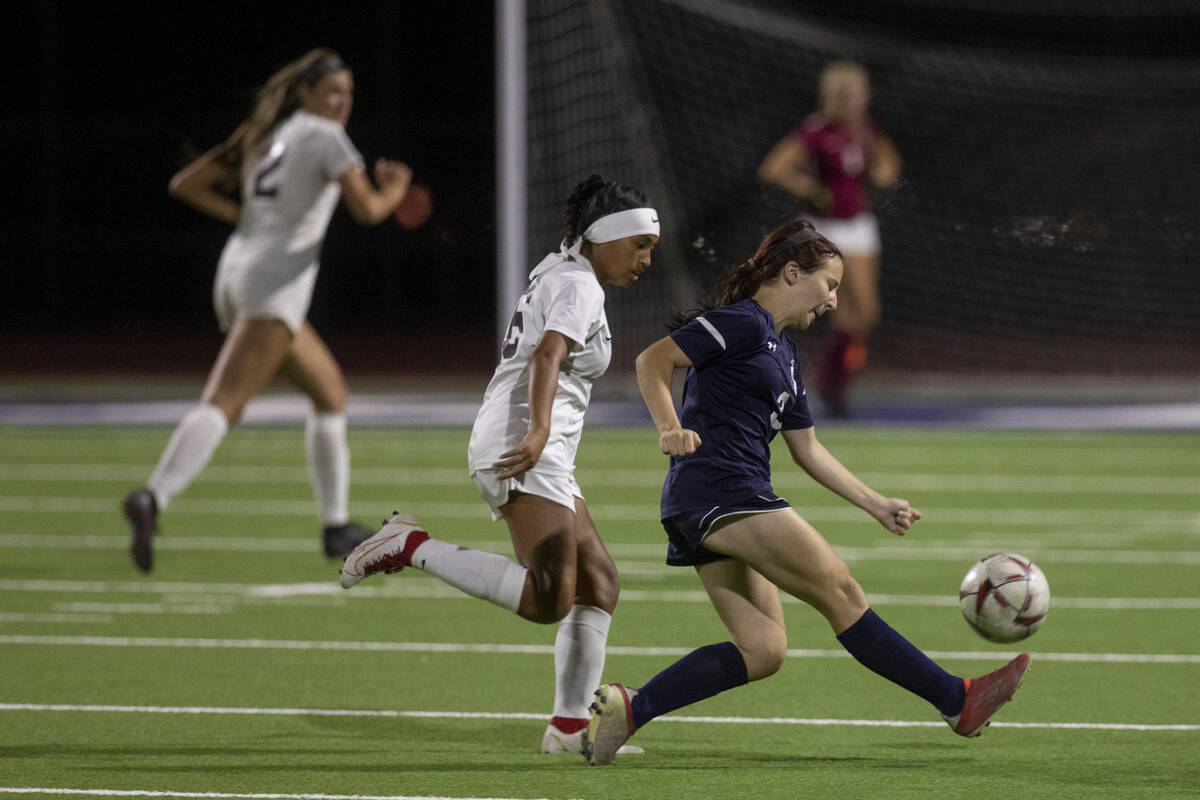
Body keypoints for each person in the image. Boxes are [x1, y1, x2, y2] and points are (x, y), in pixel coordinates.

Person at [581, 218, 1030, 766]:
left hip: (707, 501)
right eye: (831, 284)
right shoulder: (743, 322)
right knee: (841, 590)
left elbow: (808, 450)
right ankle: (956, 700)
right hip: (723, 489)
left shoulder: (787, 357)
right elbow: (653, 361)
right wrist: (668, 427)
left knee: (763, 649)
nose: (836, 302)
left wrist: (875, 503)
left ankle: (633, 709)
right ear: (793, 273)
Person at [338, 175, 660, 755]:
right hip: (522, 445)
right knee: (547, 599)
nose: (646, 259)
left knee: (600, 584)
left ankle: (567, 732)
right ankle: (409, 545)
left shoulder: (563, 272)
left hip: (540, 450)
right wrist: (538, 431)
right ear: (603, 238)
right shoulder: (578, 282)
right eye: (639, 245)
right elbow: (548, 354)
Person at [122, 48, 413, 571]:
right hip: (272, 282)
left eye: (348, 94)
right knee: (225, 402)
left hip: (239, 270)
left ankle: (335, 526)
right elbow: (368, 209)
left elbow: (186, 184)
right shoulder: (324, 136)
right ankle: (153, 497)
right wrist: (395, 188)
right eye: (333, 92)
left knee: (329, 392)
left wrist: (251, 220)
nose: (342, 102)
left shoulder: (266, 134)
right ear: (305, 92)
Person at [757, 61, 902, 417]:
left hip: (859, 225)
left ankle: (830, 381)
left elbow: (888, 160)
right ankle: (808, 383)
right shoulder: (816, 130)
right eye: (844, 94)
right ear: (830, 96)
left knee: (864, 313)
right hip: (825, 228)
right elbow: (773, 168)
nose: (852, 100)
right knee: (809, 308)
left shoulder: (867, 130)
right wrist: (811, 187)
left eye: (856, 93)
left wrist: (883, 172)